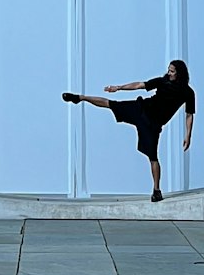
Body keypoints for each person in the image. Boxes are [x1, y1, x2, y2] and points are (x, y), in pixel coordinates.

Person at [63, 60, 194, 202]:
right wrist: (118, 88)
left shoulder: (187, 92)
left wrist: (188, 135)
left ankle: (156, 190)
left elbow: (189, 115)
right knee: (112, 104)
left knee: (153, 157)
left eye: (172, 71)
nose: (169, 73)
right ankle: (80, 98)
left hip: (153, 124)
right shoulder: (162, 81)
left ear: (180, 73)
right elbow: (139, 85)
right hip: (142, 109)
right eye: (168, 70)